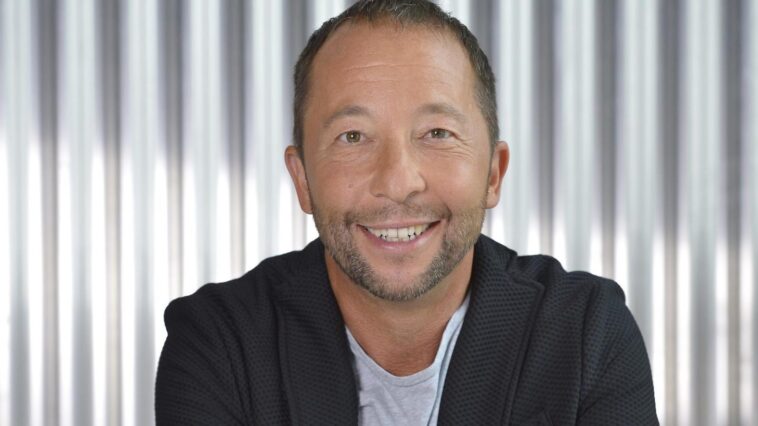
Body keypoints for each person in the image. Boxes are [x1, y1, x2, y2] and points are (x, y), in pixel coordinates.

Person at [154, 0, 658, 424]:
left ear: (493, 173)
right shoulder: (220, 344)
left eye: (437, 133)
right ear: (302, 180)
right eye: (353, 137)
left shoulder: (586, 334)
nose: (397, 182)